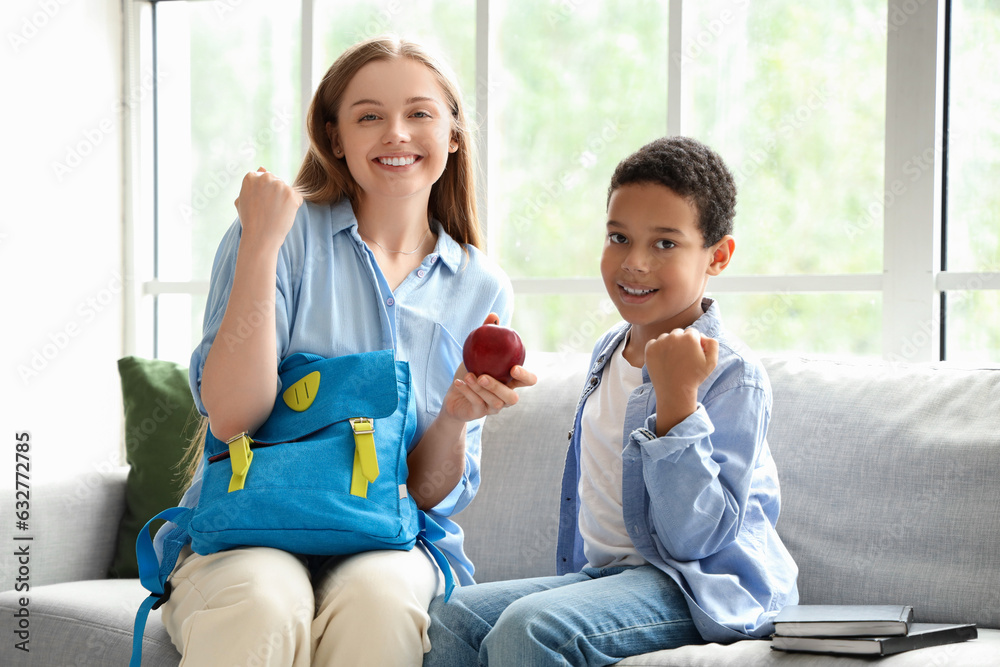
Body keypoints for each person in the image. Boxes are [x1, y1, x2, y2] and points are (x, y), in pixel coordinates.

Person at [157, 35, 536, 667]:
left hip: (386, 537)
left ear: (454, 134)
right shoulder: (281, 234)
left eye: (420, 113)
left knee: (383, 601)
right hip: (247, 528)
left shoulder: (480, 285)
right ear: (335, 138)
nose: (396, 133)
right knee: (264, 600)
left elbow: (423, 489)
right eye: (368, 116)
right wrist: (260, 245)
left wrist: (455, 416)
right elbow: (230, 416)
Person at [423, 136, 799, 666]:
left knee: (532, 630)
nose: (635, 263)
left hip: (698, 586)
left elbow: (696, 539)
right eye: (619, 237)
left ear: (718, 256)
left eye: (665, 244)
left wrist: (677, 405)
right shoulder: (609, 350)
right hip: (609, 578)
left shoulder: (732, 374)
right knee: (452, 616)